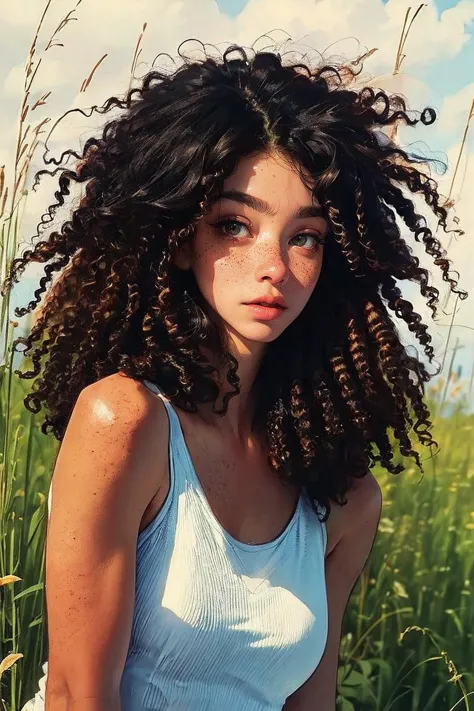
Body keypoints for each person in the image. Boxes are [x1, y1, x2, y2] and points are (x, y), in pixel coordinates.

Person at [3, 42, 465, 711]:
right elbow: (77, 697)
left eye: (304, 236)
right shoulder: (126, 424)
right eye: (235, 225)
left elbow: (311, 702)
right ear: (184, 235)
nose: (274, 266)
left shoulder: (342, 498)